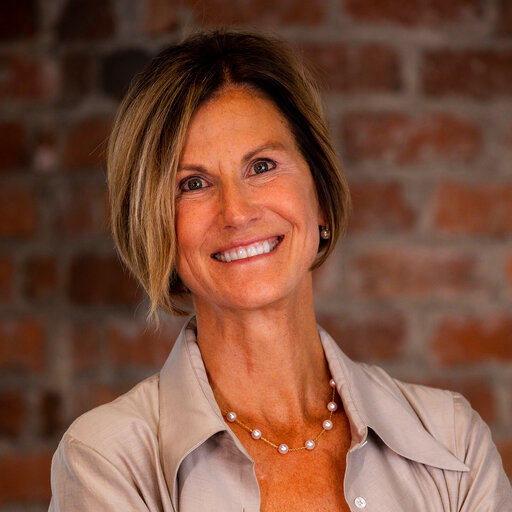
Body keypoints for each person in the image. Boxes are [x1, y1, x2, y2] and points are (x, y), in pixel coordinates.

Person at [49, 30, 512, 511]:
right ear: (156, 228)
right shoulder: (108, 461)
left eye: (262, 166)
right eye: (193, 183)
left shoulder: (452, 443)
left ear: (320, 196)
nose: (236, 212)